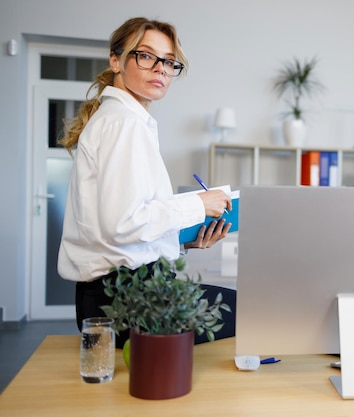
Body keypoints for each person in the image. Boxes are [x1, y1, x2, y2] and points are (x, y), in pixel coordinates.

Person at [57, 17, 232, 348]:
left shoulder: (122, 120)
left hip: (116, 295)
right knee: (249, 313)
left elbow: (117, 228)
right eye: (147, 56)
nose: (161, 69)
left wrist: (182, 241)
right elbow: (123, 223)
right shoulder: (124, 124)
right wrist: (198, 205)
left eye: (168, 61)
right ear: (116, 60)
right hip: (126, 298)